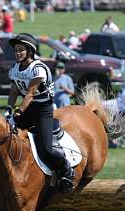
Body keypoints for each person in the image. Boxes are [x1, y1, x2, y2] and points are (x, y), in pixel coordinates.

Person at [5, 33, 75, 193]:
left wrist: (18, 112)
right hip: (27, 109)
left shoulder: (38, 68)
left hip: (43, 110)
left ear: (29, 51)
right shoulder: (15, 67)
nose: (17, 53)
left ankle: (66, 170)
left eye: (21, 50)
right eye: (16, 50)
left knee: (47, 147)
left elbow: (30, 93)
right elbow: (14, 90)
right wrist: (9, 108)